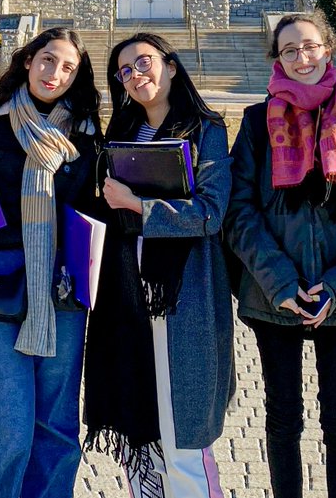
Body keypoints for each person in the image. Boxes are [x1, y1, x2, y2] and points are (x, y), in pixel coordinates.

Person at [224, 11, 336, 498]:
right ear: (276, 59)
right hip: (274, 295)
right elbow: (240, 211)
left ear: (329, 49)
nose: (302, 57)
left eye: (310, 46)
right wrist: (280, 283)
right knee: (282, 417)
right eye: (290, 50)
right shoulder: (258, 122)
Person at [84, 31, 236, 498]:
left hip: (182, 299)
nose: (135, 75)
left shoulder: (205, 129)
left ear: (171, 65)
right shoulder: (120, 135)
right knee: (140, 428)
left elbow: (211, 211)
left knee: (182, 437)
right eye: (125, 70)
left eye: (144, 62)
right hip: (125, 300)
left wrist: (139, 206)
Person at [0, 27, 102, 498]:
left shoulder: (86, 130)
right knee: (9, 429)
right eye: (47, 59)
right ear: (27, 60)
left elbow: (93, 207)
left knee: (57, 428)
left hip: (61, 288)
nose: (53, 73)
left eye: (67, 67)